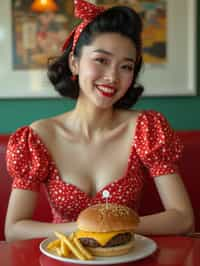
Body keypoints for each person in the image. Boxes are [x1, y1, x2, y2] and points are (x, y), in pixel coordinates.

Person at [5, 0, 194, 241]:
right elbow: (14, 230)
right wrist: (89, 230)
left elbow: (183, 218)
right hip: (64, 258)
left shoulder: (147, 128)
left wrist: (115, 229)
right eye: (101, 60)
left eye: (126, 66)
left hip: (127, 256)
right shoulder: (39, 136)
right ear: (74, 62)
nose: (112, 77)